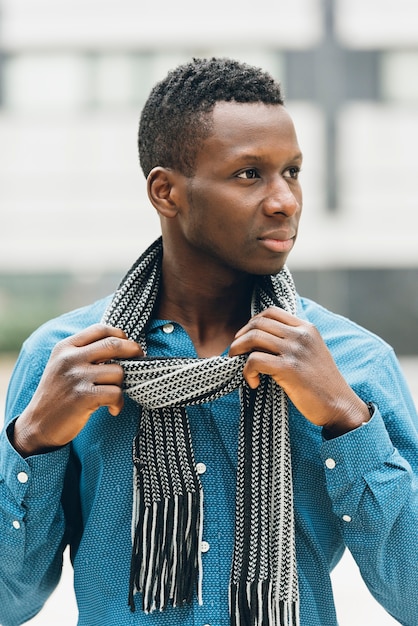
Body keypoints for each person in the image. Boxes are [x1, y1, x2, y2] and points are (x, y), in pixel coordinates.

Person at [0, 57, 417, 626]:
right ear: (166, 191)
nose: (285, 201)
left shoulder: (353, 363)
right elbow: (10, 599)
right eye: (250, 174)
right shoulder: (69, 361)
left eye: (292, 172)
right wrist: (32, 439)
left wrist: (345, 416)